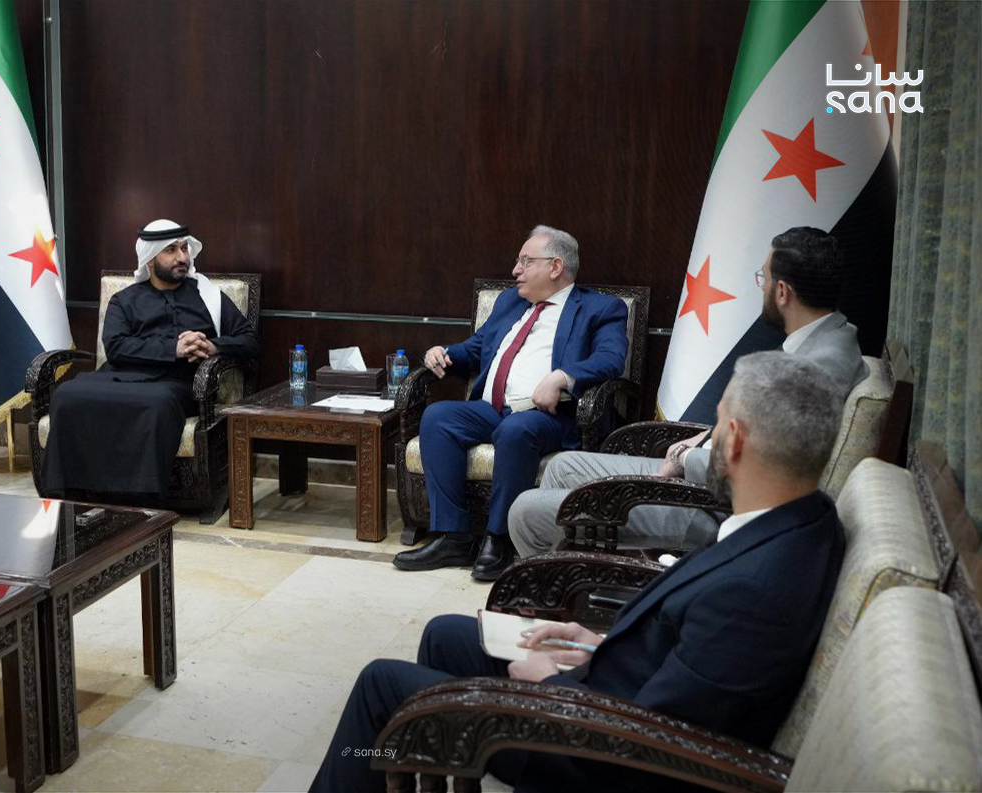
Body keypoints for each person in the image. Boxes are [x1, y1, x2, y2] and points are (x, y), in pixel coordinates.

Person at [311, 351, 846, 793]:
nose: (701, 445)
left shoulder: (757, 587)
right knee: (447, 635)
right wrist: (597, 644)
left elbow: (663, 741)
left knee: (381, 684)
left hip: (593, 753)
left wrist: (554, 688)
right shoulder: (800, 521)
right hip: (608, 694)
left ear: (737, 440)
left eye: (714, 429)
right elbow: (688, 658)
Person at [509, 226, 870, 557]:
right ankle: (574, 581)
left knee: (525, 511)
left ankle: (562, 584)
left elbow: (759, 470)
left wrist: (684, 459)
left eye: (763, 278)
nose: (760, 288)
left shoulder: (817, 369)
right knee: (565, 466)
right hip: (704, 470)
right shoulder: (827, 339)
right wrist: (704, 438)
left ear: (782, 292)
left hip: (707, 506)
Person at [393, 225, 629, 580]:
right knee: (439, 417)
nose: (515, 270)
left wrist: (562, 377)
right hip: (492, 410)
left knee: (517, 428)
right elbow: (477, 348)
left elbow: (611, 359)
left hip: (553, 416)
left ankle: (499, 539)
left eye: (525, 261)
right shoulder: (510, 302)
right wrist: (443, 353)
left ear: (555, 266)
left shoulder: (600, 308)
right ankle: (454, 537)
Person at [38, 219, 258, 502]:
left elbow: (249, 340)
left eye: (184, 249)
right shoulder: (124, 300)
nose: (182, 257)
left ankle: (141, 497)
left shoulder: (209, 297)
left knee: (157, 404)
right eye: (171, 250)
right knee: (67, 394)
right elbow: (116, 346)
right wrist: (173, 348)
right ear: (150, 260)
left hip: (174, 383)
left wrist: (213, 345)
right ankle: (69, 492)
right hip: (117, 377)